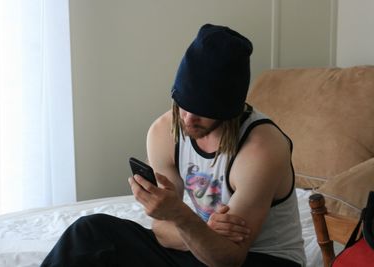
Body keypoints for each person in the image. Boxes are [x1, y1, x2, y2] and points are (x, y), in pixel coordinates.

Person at [41, 23, 306, 267]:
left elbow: (228, 258)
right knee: (90, 232)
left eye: (203, 111)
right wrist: (198, 228)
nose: (189, 120)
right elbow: (161, 231)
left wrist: (182, 217)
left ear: (229, 110)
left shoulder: (262, 148)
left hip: (264, 259)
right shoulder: (163, 132)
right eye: (183, 105)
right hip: (200, 248)